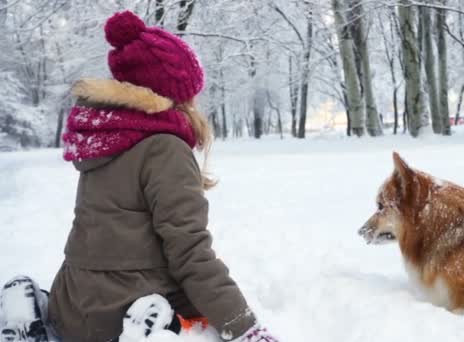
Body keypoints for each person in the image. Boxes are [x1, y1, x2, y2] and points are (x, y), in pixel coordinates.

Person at [0, 10, 279, 342]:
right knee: (200, 316)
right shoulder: (165, 148)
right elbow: (190, 252)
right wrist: (244, 327)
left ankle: (37, 315)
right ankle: (159, 328)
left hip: (73, 305)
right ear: (175, 94)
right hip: (122, 311)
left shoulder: (106, 139)